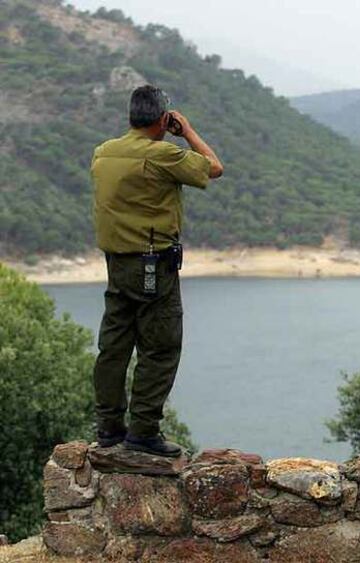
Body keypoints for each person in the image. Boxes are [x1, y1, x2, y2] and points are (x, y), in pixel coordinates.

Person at [90, 85, 223, 457]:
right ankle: (143, 431)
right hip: (153, 266)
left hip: (116, 264)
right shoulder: (163, 154)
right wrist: (189, 132)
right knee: (160, 347)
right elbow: (214, 167)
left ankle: (108, 427)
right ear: (164, 119)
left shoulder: (104, 152)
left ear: (132, 116)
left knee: (114, 347)